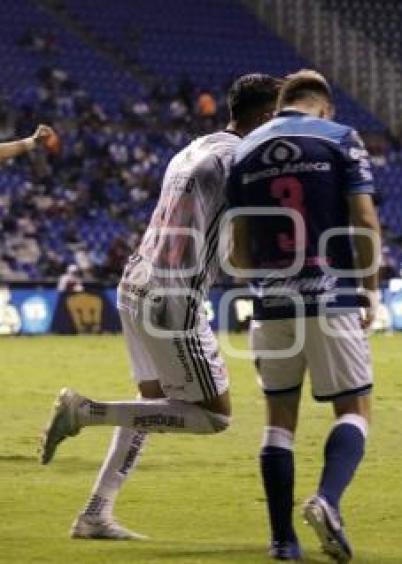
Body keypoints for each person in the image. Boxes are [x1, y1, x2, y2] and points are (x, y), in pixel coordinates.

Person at [38, 74, 281, 539]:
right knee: (214, 416)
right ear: (265, 115)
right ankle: (84, 412)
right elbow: (238, 250)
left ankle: (95, 513)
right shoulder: (238, 161)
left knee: (150, 405)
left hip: (136, 281)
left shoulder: (192, 148)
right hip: (174, 298)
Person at [227, 69, 380, 562]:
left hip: (270, 303)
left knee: (278, 418)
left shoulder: (244, 150)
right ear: (325, 105)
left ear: (283, 103)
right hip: (330, 294)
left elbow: (240, 249)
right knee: (355, 409)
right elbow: (364, 219)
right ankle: (327, 500)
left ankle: (282, 541)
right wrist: (369, 288)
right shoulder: (340, 138)